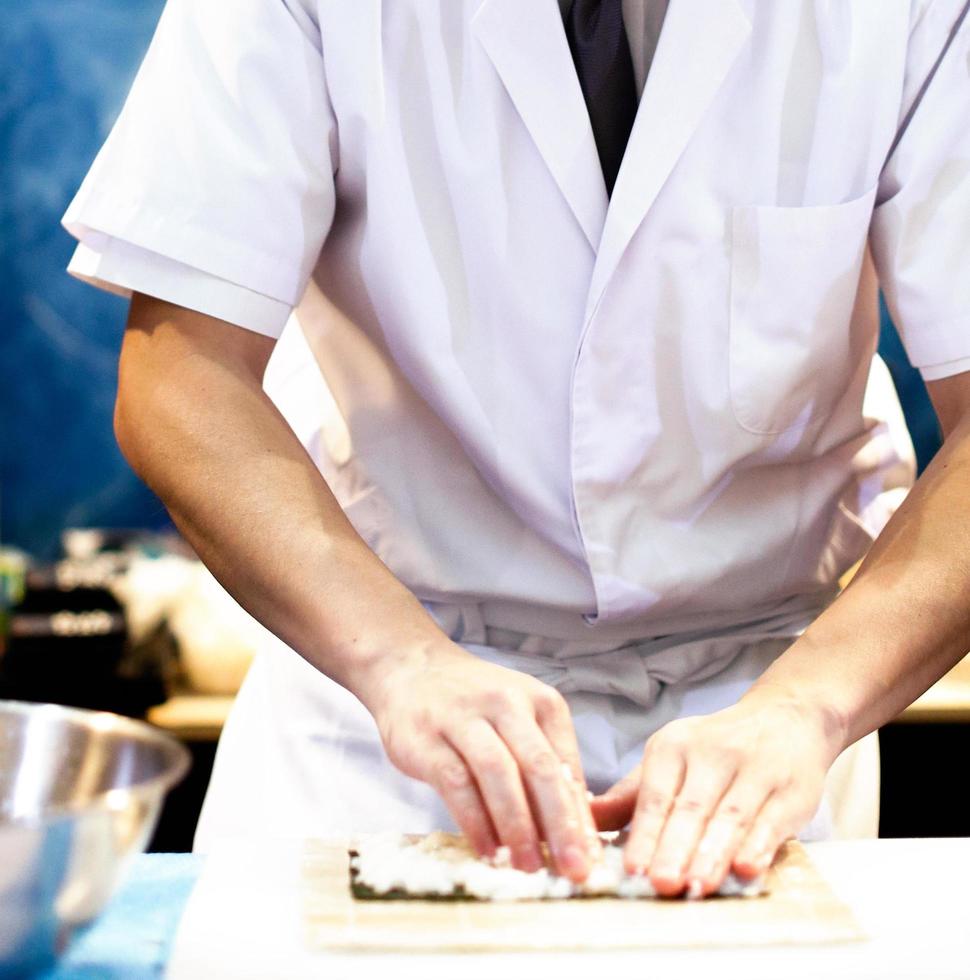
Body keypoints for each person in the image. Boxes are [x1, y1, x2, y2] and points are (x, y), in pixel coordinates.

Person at [63, 0, 970, 896]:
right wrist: (397, 661)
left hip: (763, 719)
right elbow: (182, 382)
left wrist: (808, 706)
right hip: (377, 699)